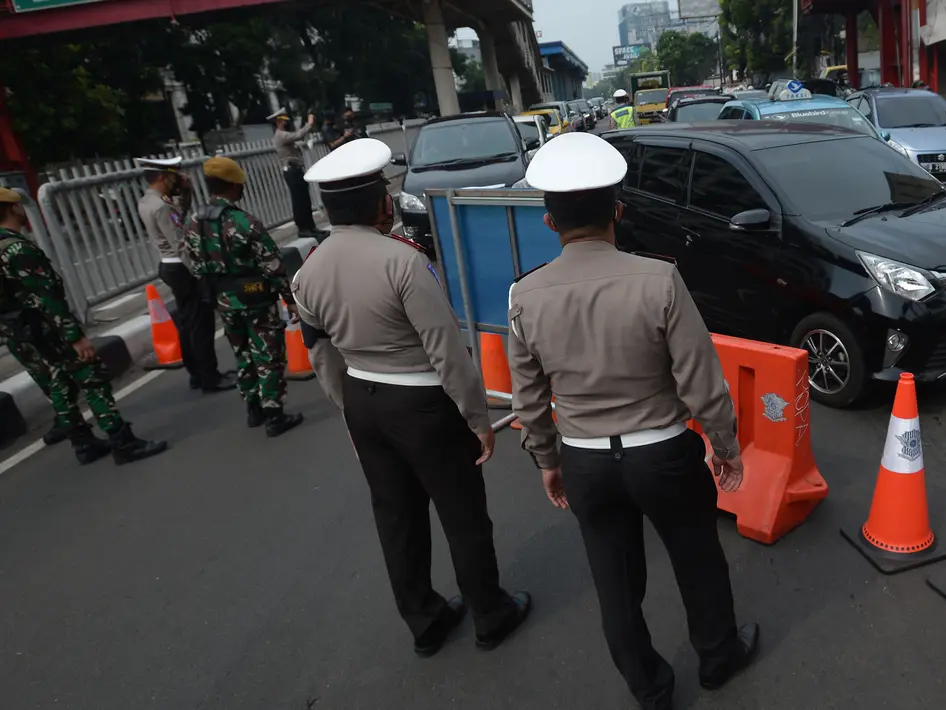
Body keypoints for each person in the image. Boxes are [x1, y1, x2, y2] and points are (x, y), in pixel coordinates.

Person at [507, 132, 759, 710]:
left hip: (585, 460)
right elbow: (701, 379)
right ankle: (719, 656)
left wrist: (547, 462)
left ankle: (650, 688)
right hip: (663, 453)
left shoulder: (525, 296)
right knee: (697, 558)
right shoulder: (659, 279)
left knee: (615, 583)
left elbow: (529, 395)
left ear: (549, 222)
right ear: (618, 211)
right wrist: (725, 445)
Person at [292, 138, 531, 657]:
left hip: (362, 399)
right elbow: (446, 350)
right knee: (462, 512)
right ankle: (490, 614)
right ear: (379, 202)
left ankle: (425, 620)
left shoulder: (307, 271)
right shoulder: (402, 261)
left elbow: (320, 354)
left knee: (396, 517)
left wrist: (348, 411)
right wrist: (477, 418)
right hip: (422, 404)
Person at [0, 188, 168, 464]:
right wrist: (75, 337)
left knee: (60, 383)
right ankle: (122, 442)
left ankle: (83, 443)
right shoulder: (18, 250)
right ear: (12, 209)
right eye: (19, 205)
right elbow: (48, 299)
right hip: (48, 328)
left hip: (21, 332)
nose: (22, 209)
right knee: (91, 378)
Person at [184, 157, 304, 438]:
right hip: (255, 298)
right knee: (268, 354)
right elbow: (273, 265)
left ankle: (253, 409)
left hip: (223, 301)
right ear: (233, 186)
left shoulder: (194, 222)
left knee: (242, 353)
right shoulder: (243, 222)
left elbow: (194, 262)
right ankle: (274, 414)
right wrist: (290, 300)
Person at [135, 157, 236, 394]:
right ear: (162, 177)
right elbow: (180, 243)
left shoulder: (147, 201)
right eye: (173, 176)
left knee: (187, 323)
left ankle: (197, 375)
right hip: (182, 268)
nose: (177, 179)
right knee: (201, 325)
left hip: (169, 266)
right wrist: (201, 273)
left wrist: (186, 192)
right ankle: (210, 377)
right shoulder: (162, 206)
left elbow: (179, 216)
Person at [269, 107, 327, 240]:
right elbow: (298, 135)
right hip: (292, 171)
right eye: (283, 121)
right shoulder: (280, 135)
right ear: (278, 122)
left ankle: (311, 227)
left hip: (297, 170)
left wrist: (305, 143)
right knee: (299, 201)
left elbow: (298, 141)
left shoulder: (285, 135)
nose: (286, 123)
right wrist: (310, 123)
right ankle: (303, 228)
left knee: (305, 200)